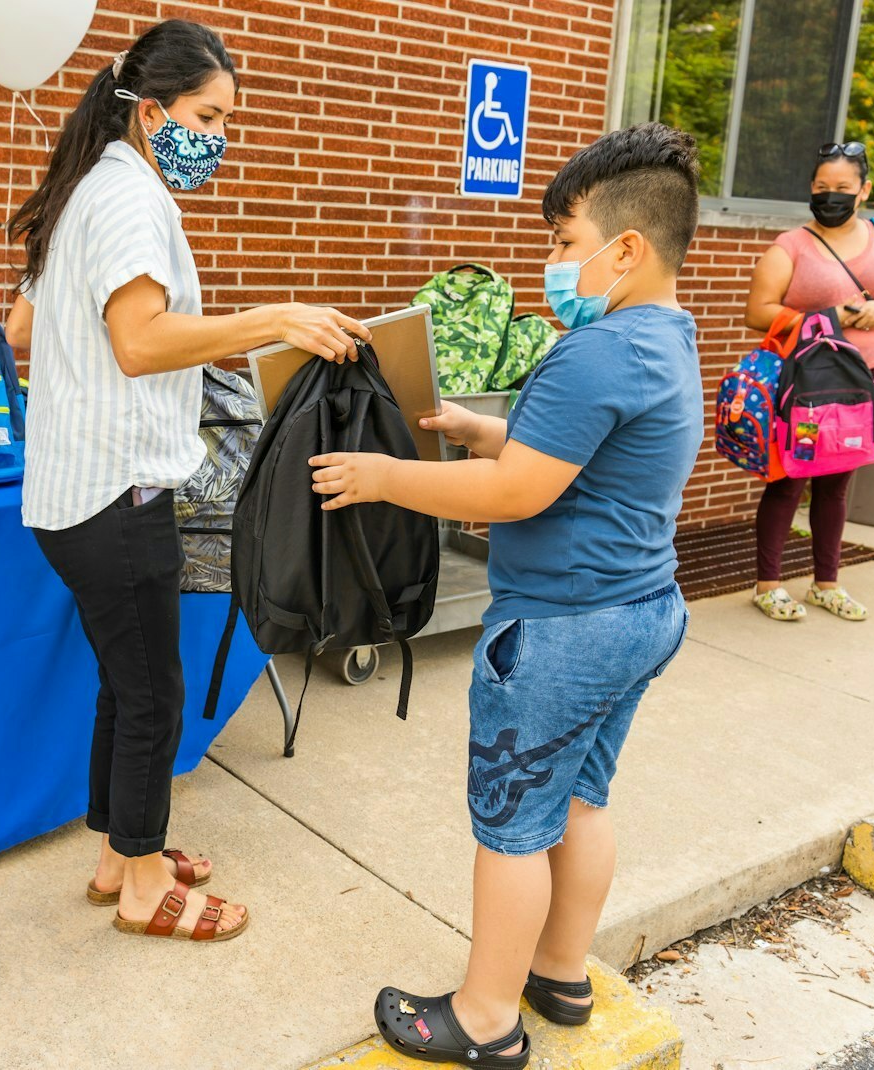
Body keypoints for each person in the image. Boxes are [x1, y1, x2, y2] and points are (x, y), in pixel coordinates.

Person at [309, 122, 701, 1068]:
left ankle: (485, 1019)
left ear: (627, 248)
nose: (551, 264)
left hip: (563, 628)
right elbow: (581, 469)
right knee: (582, 805)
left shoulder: (592, 352)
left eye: (565, 243)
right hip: (642, 610)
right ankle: (561, 972)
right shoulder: (666, 338)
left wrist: (379, 475)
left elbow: (518, 495)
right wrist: (486, 436)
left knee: (514, 829)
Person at [2, 19, 370, 944]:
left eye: (224, 120)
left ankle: (120, 855)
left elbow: (19, 332)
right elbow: (139, 342)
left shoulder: (86, 190)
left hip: (72, 493)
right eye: (207, 115)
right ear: (152, 108)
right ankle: (140, 889)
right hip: (115, 493)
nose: (216, 136)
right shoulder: (129, 199)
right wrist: (271, 318)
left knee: (128, 687)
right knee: (153, 693)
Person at [744, 141, 874, 622]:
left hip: (868, 383)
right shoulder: (791, 247)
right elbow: (757, 313)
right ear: (811, 188)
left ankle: (826, 583)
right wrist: (830, 318)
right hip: (811, 383)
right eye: (822, 187)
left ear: (864, 190)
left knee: (837, 484)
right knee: (788, 479)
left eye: (843, 188)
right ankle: (768, 585)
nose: (831, 196)